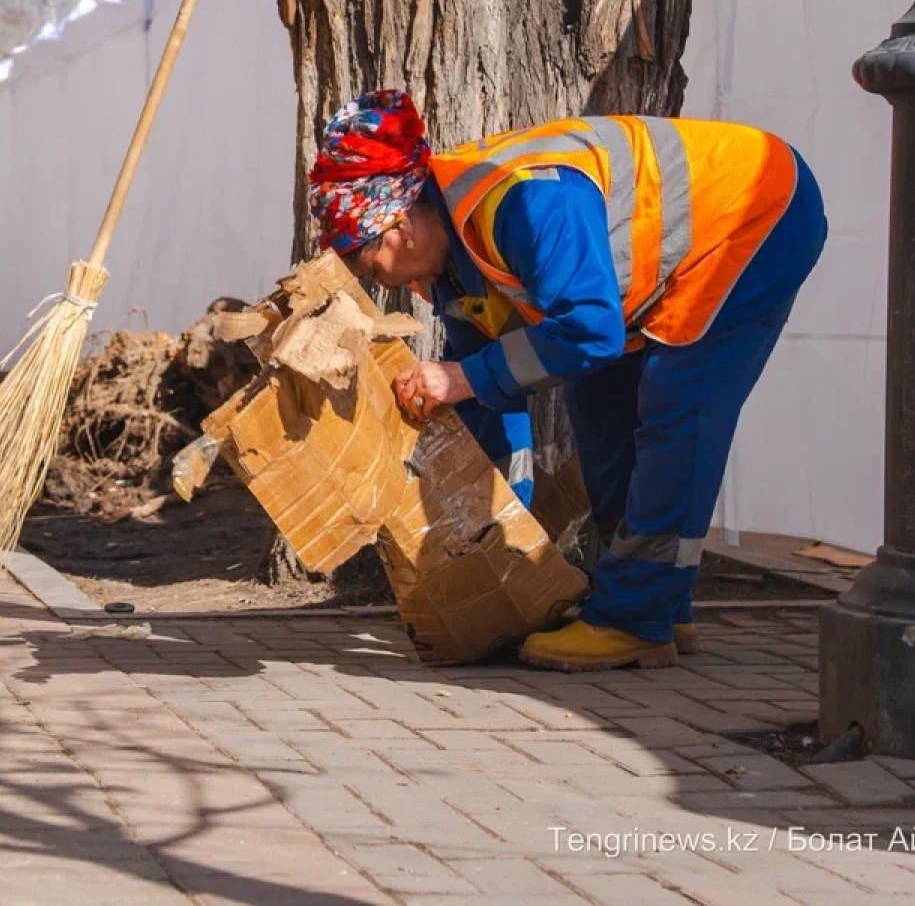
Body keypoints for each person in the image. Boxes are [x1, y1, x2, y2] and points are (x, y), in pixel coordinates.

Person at [308, 90, 826, 672]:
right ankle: (657, 601)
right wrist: (499, 547)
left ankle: (635, 619)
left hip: (756, 212)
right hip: (658, 274)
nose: (369, 278)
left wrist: (463, 377)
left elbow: (588, 333)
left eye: (360, 258)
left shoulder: (525, 203)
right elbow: (488, 402)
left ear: (398, 226)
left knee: (678, 407)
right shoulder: (448, 259)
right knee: (599, 413)